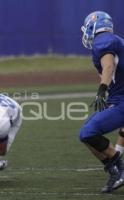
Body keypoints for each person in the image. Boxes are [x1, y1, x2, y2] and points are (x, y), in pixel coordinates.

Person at [79, 11, 124, 193]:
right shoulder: (114, 40)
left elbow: (109, 66)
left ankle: (119, 168)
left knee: (89, 132)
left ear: (93, 27)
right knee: (85, 132)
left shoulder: (103, 41)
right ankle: (113, 169)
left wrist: (101, 90)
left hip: (122, 100)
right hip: (117, 98)